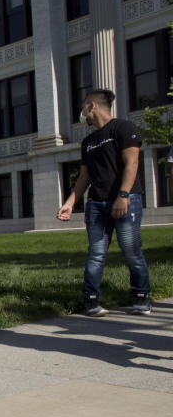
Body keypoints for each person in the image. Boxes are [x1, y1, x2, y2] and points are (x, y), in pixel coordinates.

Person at [57, 89, 152, 316]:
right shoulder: (88, 141)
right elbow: (84, 177)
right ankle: (90, 300)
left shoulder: (123, 128)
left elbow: (132, 163)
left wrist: (123, 196)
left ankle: (141, 296)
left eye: (83, 108)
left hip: (125, 200)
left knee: (131, 250)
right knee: (96, 253)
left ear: (92, 106)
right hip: (97, 204)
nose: (82, 114)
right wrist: (70, 202)